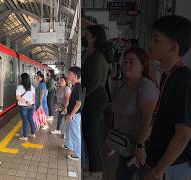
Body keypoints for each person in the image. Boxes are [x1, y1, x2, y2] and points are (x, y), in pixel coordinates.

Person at [146, 15, 191, 180]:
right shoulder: (169, 75)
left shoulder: (183, 81)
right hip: (164, 164)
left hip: (173, 168)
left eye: (156, 40)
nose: (150, 44)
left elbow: (183, 134)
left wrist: (157, 172)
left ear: (173, 47)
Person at [111, 47, 159, 180]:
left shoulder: (146, 87)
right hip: (125, 146)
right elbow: (118, 114)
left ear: (143, 66)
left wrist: (140, 145)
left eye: (132, 62)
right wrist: (114, 140)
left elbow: (150, 119)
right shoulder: (124, 86)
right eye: (125, 61)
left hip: (140, 149)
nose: (127, 65)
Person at [82, 24, 113, 179]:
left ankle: (95, 171)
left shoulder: (97, 56)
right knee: (94, 134)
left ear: (94, 37)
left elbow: (92, 81)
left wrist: (83, 97)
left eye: (87, 35)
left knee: (91, 133)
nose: (84, 37)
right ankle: (97, 167)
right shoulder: (98, 54)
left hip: (94, 97)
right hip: (98, 97)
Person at [61, 66, 83, 161]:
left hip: (74, 115)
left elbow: (78, 104)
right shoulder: (74, 85)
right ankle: (69, 145)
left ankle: (78, 154)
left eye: (69, 74)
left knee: (75, 133)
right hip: (71, 114)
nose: (68, 75)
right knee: (69, 130)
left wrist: (71, 115)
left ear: (75, 75)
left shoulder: (79, 86)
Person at [16, 73, 36, 141]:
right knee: (30, 119)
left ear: (22, 79)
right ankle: (33, 133)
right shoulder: (32, 87)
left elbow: (18, 97)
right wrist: (32, 104)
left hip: (24, 106)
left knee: (25, 121)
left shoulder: (20, 87)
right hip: (31, 106)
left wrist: (26, 102)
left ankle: (25, 136)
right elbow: (34, 98)